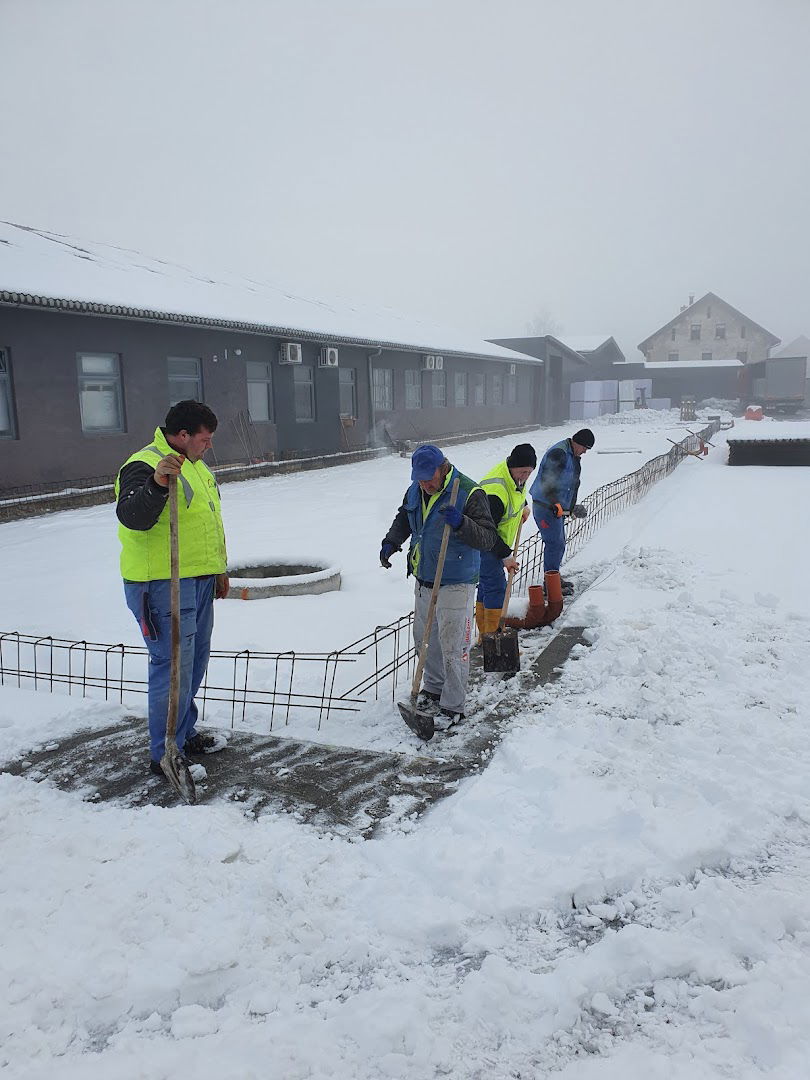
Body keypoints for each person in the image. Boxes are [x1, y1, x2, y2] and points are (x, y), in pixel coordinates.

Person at [115, 400, 229, 777]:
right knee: (172, 667)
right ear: (182, 436)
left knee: (193, 664)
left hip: (197, 580)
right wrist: (157, 483)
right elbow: (133, 516)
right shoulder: (144, 463)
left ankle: (183, 733)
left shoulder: (196, 466)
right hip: (161, 583)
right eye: (204, 439)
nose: (208, 445)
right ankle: (164, 751)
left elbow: (207, 522)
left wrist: (218, 570)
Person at [380, 444, 499, 730]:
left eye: (428, 478)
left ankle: (453, 705)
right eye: (419, 478)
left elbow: (487, 538)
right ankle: (433, 689)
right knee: (424, 636)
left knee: (453, 644)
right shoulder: (415, 490)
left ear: (442, 468)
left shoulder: (469, 492)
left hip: (456, 581)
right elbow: (404, 517)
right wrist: (391, 542)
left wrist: (461, 523)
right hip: (424, 577)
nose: (425, 484)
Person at [476, 443, 536, 636]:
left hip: (494, 543)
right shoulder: (495, 491)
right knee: (496, 588)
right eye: (522, 472)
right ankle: (494, 640)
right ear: (513, 466)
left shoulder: (514, 477)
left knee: (486, 587)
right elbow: (486, 531)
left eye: (529, 472)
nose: (525, 477)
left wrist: (523, 506)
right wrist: (506, 556)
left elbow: (516, 493)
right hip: (485, 544)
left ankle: (486, 638)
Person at [530, 428, 593, 589]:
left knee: (559, 544)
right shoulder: (559, 453)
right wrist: (554, 502)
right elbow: (547, 480)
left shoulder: (572, 454)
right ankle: (550, 584)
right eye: (585, 448)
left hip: (555, 507)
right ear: (577, 442)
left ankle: (553, 577)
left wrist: (571, 508)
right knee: (554, 544)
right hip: (545, 507)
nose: (585, 452)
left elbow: (569, 484)